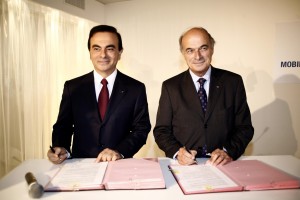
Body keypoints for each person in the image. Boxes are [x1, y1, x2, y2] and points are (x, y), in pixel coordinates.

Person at [47, 25, 151, 164]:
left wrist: (119, 151)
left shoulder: (136, 88)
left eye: (110, 48)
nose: (103, 55)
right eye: (96, 48)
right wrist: (60, 147)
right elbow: (63, 126)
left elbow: (141, 129)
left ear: (120, 52)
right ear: (89, 52)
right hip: (80, 165)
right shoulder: (72, 87)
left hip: (118, 164)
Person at [153, 27, 254, 166]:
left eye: (203, 48)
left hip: (224, 164)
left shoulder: (233, 82)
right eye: (190, 50)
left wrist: (227, 151)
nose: (197, 56)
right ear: (183, 53)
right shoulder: (170, 87)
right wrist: (177, 152)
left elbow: (244, 128)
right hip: (186, 166)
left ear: (212, 49)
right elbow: (161, 131)